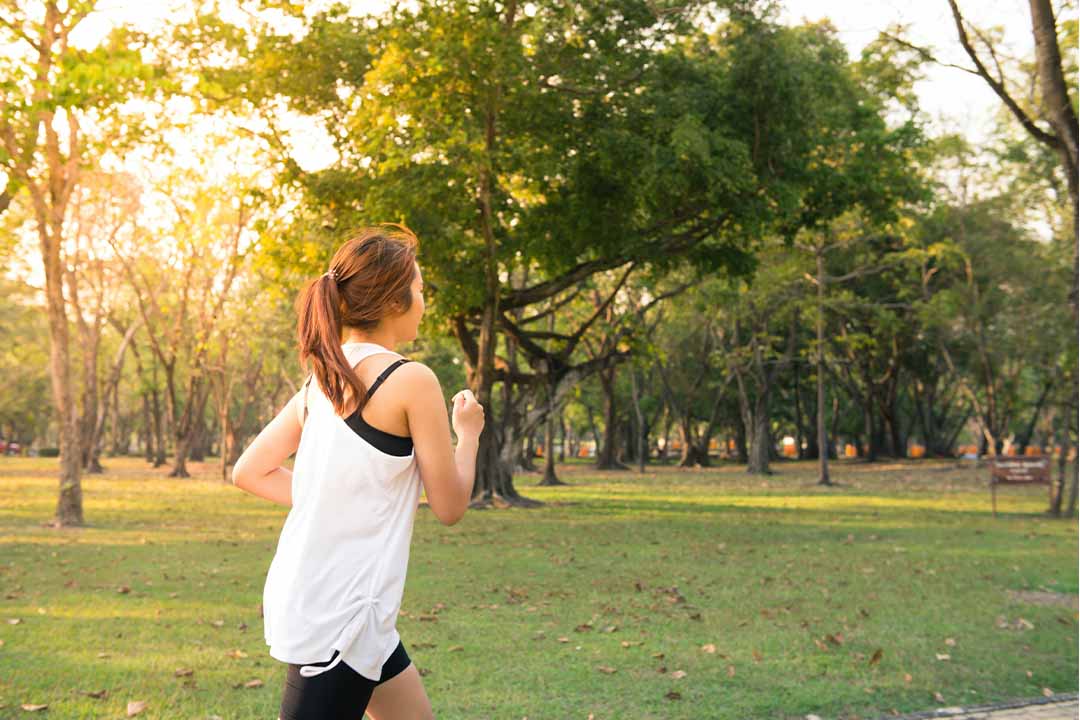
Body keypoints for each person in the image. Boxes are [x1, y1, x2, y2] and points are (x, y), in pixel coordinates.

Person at [231, 224, 485, 720]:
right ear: (393, 301)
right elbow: (451, 505)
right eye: (418, 289)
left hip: (347, 610)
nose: (423, 300)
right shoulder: (411, 379)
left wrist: (335, 498)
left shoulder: (322, 380)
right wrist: (469, 434)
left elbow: (250, 471)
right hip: (340, 619)